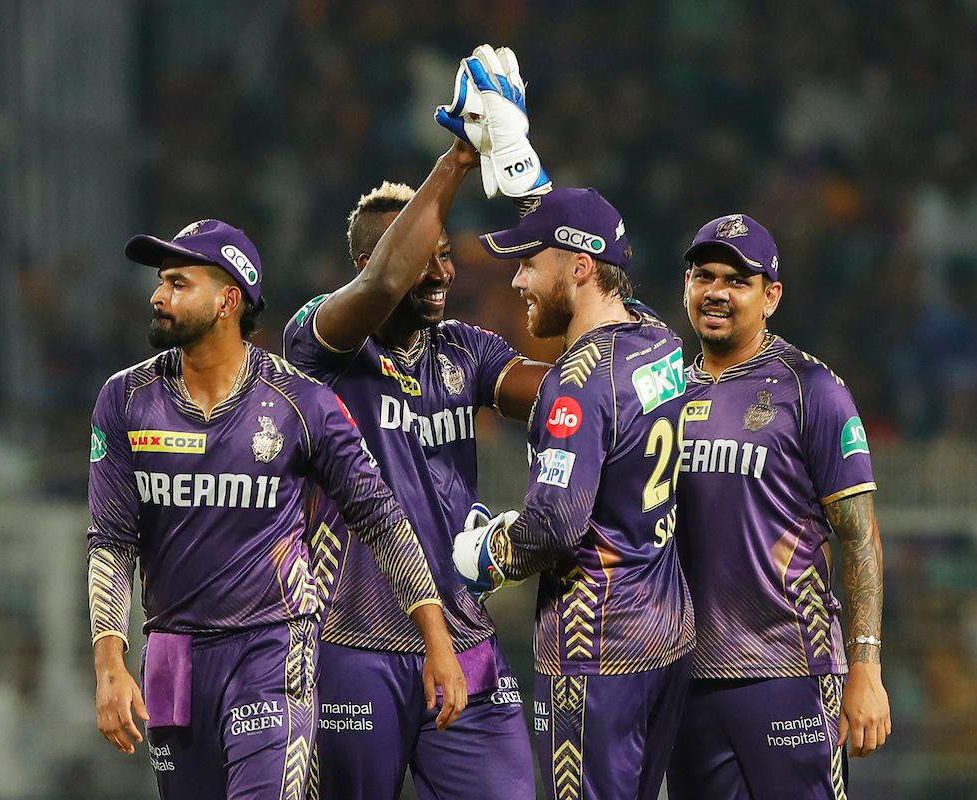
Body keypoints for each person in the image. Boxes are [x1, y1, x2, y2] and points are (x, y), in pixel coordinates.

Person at [86, 219, 464, 800]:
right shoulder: (125, 398)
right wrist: (110, 661)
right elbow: (111, 541)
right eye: (162, 282)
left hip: (272, 650)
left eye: (179, 283)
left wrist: (436, 641)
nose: (159, 296)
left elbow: (383, 521)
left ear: (227, 301)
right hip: (172, 655)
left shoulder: (301, 401)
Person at [282, 132, 549, 798]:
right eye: (422, 259)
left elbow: (559, 394)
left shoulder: (466, 352)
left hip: (465, 639)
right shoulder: (321, 348)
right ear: (375, 262)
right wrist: (459, 161)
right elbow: (381, 285)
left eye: (445, 256)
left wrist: (625, 356)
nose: (441, 274)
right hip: (354, 644)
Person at [454, 187, 697, 800]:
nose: (517, 283)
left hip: (594, 648)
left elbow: (557, 527)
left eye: (529, 263)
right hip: (666, 638)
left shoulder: (575, 383)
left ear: (581, 268)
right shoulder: (660, 339)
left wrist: (490, 552)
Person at [666, 214, 892, 799]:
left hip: (789, 666)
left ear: (771, 297)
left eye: (737, 280)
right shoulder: (662, 392)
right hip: (684, 674)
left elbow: (860, 536)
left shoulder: (811, 389)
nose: (715, 292)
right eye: (703, 276)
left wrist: (865, 664)